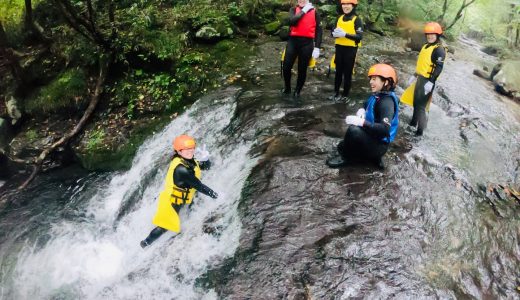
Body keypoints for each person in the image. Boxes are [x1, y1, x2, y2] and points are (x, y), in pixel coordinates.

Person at [140, 135, 218, 248]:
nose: (190, 152)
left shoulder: (187, 160)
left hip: (181, 198)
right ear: (179, 151)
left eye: (192, 148)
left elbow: (204, 167)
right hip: (170, 202)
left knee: (192, 202)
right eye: (186, 150)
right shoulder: (181, 169)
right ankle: (145, 243)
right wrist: (216, 196)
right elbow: (199, 186)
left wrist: (206, 160)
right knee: (164, 227)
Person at [326, 64, 399, 169]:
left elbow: (385, 130)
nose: (370, 82)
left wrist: (362, 122)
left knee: (353, 131)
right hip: (374, 138)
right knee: (341, 145)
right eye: (370, 79)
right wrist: (362, 110)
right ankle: (371, 157)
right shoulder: (379, 95)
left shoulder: (386, 102)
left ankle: (346, 158)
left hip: (379, 145)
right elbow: (366, 104)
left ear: (386, 82)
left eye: (374, 79)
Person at [407, 22, 446, 136]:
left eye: (432, 34)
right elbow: (423, 64)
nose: (430, 36)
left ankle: (419, 133)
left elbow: (439, 68)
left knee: (421, 107)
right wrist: (414, 75)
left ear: (437, 35)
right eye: (428, 34)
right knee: (415, 103)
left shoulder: (439, 50)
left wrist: (431, 82)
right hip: (420, 79)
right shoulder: (425, 46)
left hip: (428, 81)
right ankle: (412, 124)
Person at [282, 0, 323, 98]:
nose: (301, 0)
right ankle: (287, 88)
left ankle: (297, 91)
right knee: (286, 66)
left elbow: (319, 31)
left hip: (307, 43)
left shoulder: (315, 12)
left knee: (302, 69)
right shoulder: (293, 9)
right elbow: (292, 22)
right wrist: (304, 11)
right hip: (293, 41)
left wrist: (317, 47)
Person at [328, 0, 363, 102]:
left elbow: (359, 36)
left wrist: (345, 34)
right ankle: (335, 92)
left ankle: (345, 95)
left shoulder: (357, 19)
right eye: (343, 4)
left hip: (351, 49)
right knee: (338, 71)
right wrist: (333, 34)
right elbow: (333, 31)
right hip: (339, 48)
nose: (345, 6)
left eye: (348, 4)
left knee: (347, 72)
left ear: (353, 6)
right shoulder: (339, 18)